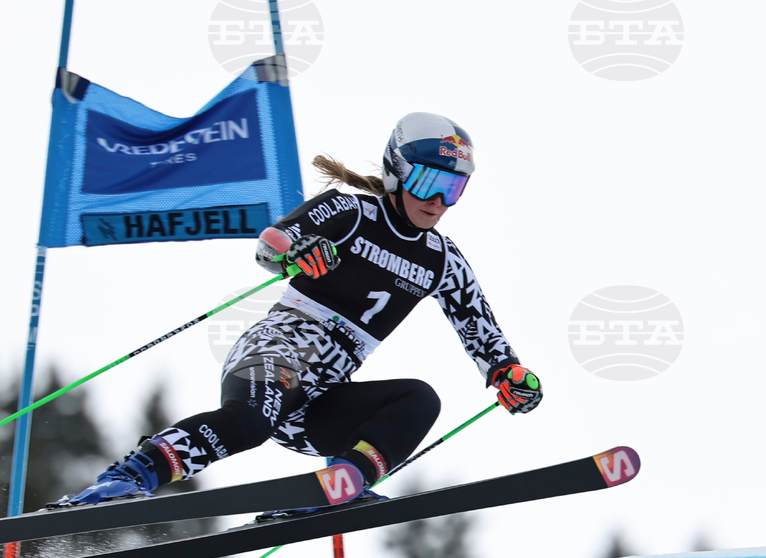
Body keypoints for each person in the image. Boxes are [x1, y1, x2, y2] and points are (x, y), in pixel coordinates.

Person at [53, 112, 543, 508]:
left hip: (323, 396)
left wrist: (507, 373)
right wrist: (294, 254)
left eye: (453, 188)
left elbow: (479, 327)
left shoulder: (442, 260)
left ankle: (339, 486)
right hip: (279, 351)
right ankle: (125, 479)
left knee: (419, 399)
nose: (438, 200)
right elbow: (269, 246)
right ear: (396, 169)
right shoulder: (351, 212)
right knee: (248, 425)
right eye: (429, 181)